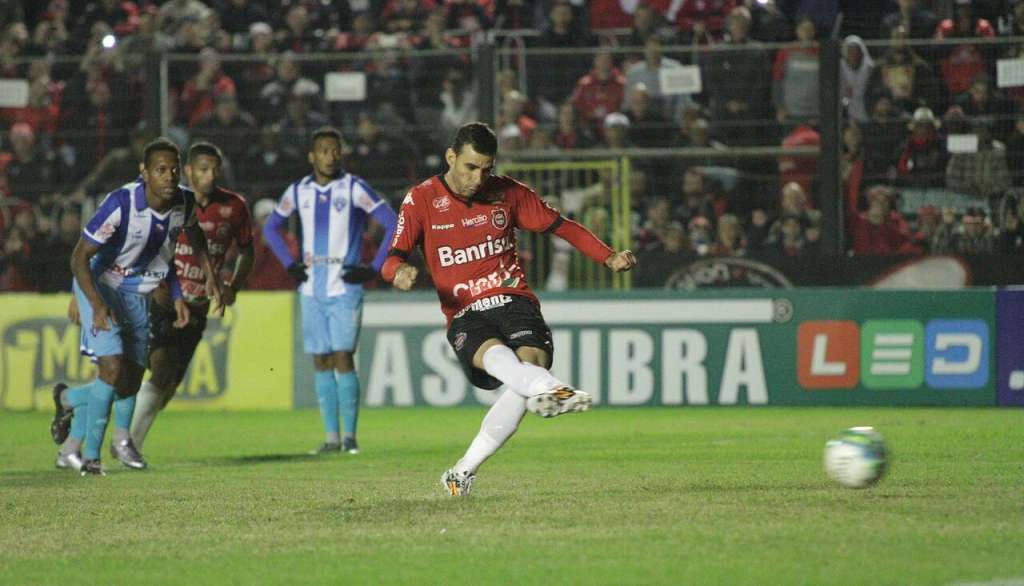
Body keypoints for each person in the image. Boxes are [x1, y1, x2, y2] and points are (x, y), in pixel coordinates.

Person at [380, 122, 636, 497]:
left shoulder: (509, 193)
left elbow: (561, 227)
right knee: (504, 361)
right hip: (466, 311)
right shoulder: (421, 200)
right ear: (451, 158)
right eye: (470, 167)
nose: (478, 178)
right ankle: (552, 391)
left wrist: (608, 256)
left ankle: (462, 472)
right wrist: (397, 272)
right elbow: (391, 257)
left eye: (486, 168)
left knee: (526, 369)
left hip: (514, 299)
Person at [49, 138, 222, 476]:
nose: (170, 176)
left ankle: (68, 404)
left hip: (137, 293)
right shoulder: (121, 204)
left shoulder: (183, 203)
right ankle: (93, 457)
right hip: (101, 289)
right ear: (144, 173)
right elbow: (79, 258)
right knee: (111, 371)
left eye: (174, 169)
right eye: (161, 170)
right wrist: (93, 305)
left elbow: (187, 241)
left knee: (128, 383)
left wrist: (205, 276)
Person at [263, 127, 397, 456]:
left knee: (342, 356)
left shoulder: (353, 187)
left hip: (345, 288)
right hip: (311, 290)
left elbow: (394, 222)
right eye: (324, 150)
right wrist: (290, 263)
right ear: (312, 156)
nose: (330, 156)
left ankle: (350, 438)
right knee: (321, 360)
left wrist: (373, 266)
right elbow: (271, 226)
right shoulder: (299, 191)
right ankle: (331, 439)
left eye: (335, 150)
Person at [128, 142, 254, 461]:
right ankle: (126, 443)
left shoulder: (235, 206)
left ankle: (126, 438)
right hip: (161, 299)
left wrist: (233, 286)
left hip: (197, 307)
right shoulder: (173, 202)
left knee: (168, 386)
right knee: (156, 370)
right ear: (189, 171)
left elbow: (246, 251)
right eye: (203, 169)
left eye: (214, 169)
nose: (209, 176)